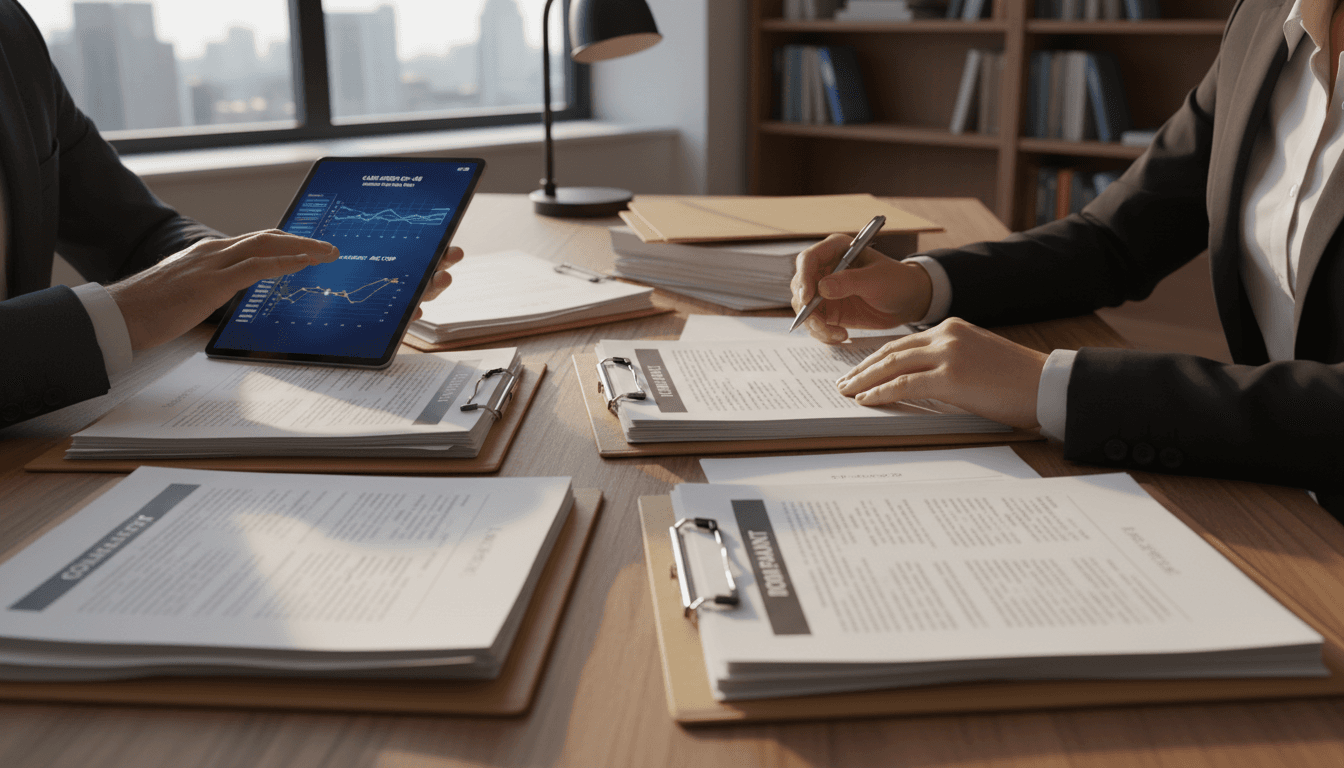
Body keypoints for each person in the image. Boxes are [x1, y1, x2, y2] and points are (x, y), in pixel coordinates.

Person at [792, 0, 1344, 517]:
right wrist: (921, 285)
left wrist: (1053, 386)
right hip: (1273, 494)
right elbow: (1114, 238)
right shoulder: (1266, 19)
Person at [0, 0, 460, 427]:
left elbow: (136, 235)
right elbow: (135, 295)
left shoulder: (11, 31)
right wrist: (120, 314)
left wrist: (266, 281)